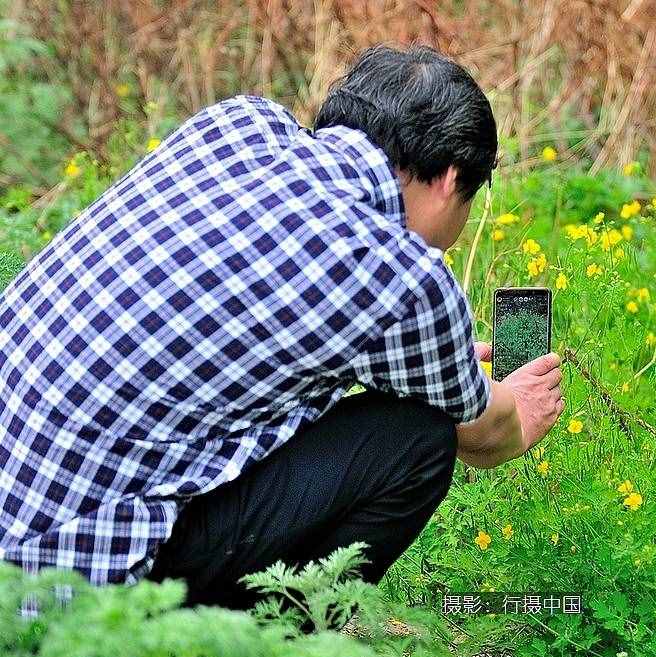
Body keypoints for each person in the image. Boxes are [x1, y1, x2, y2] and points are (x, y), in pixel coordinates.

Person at [0, 44, 564, 610]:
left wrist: (425, 358)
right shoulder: (401, 272)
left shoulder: (235, 125)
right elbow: (486, 435)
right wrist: (520, 402)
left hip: (19, 522)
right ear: (449, 179)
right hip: (66, 597)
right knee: (419, 440)